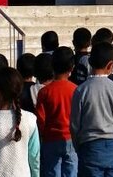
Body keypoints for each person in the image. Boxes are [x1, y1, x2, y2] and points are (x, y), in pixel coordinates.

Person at [71, 42, 113, 177]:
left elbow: (75, 124)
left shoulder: (81, 89)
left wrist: (77, 145)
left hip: (90, 146)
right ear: (110, 65)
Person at [36, 48, 78, 177]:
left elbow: (41, 119)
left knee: (52, 172)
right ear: (72, 67)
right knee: (71, 172)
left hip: (50, 139)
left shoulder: (44, 92)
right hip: (71, 138)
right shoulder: (76, 89)